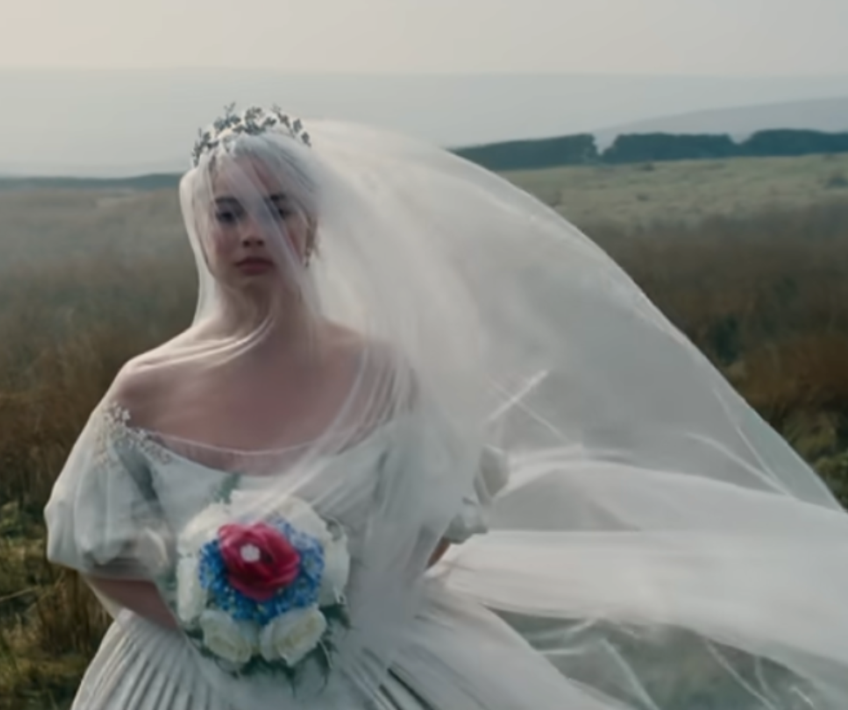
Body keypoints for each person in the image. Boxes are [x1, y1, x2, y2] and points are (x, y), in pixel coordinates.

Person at [45, 105, 848, 709]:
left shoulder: (381, 372)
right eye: (229, 213)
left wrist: (337, 613)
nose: (255, 232)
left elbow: (434, 519)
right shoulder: (143, 387)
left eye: (279, 207)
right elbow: (95, 551)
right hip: (184, 675)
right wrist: (210, 626)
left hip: (376, 655)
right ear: (201, 224)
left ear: (316, 222)